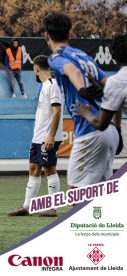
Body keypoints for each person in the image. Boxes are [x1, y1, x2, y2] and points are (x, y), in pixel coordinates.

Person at [44, 11, 118, 189]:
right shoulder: (84, 55)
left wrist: (82, 90)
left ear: (46, 36)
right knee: (100, 191)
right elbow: (109, 83)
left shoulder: (56, 57)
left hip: (89, 129)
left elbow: (72, 71)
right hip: (110, 129)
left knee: (75, 191)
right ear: (70, 34)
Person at [8, 55, 63, 217]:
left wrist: (51, 136)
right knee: (33, 169)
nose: (33, 71)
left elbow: (57, 111)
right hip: (38, 137)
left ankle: (53, 207)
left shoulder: (52, 85)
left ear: (37, 68)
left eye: (33, 68)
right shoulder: (45, 86)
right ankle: (27, 206)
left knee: (49, 170)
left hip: (47, 137)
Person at [71, 33, 126, 155]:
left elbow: (101, 124)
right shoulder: (115, 84)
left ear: (112, 56)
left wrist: (85, 113)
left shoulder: (116, 82)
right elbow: (117, 98)